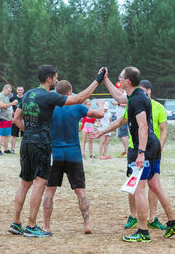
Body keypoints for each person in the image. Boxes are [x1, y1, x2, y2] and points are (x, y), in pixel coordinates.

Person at [9, 65, 105, 238]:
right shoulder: (49, 96)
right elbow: (79, 99)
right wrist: (97, 80)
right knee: (39, 184)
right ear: (49, 79)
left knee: (24, 183)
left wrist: (29, 132)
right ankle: (31, 226)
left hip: (26, 142)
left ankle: (16, 223)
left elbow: (15, 119)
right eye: (55, 77)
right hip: (42, 144)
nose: (56, 80)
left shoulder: (28, 94)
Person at [93, 67, 175, 242]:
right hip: (152, 145)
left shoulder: (137, 99)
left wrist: (140, 153)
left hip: (145, 148)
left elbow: (143, 126)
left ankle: (143, 231)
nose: (119, 79)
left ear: (127, 81)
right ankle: (172, 223)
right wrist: (105, 79)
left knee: (138, 189)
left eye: (120, 77)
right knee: (155, 186)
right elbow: (118, 98)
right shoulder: (136, 95)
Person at [42, 80, 104, 234]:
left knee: (49, 191)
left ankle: (47, 226)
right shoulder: (76, 105)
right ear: (70, 93)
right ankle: (87, 224)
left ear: (56, 92)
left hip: (54, 153)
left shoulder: (51, 107)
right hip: (73, 154)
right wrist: (102, 105)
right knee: (81, 191)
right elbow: (99, 115)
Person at [126, 79, 168, 230]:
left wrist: (160, 148)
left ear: (149, 90)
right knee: (134, 184)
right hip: (134, 149)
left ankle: (153, 217)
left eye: (143, 89)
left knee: (152, 185)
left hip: (151, 150)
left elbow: (163, 130)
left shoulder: (158, 107)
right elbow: (122, 120)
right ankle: (133, 216)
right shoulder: (134, 101)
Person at [0, 84, 17, 155]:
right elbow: (1, 105)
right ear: (4, 89)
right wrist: (12, 103)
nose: (9, 93)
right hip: (2, 117)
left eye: (10, 91)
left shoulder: (6, 96)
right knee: (1, 134)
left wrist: (11, 118)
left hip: (7, 118)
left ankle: (6, 149)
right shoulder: (0, 96)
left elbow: (8, 108)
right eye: (8, 91)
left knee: (6, 135)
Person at [113, 82, 129, 158]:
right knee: (124, 134)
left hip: (123, 116)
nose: (119, 89)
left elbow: (128, 104)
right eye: (118, 88)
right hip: (121, 116)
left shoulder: (125, 94)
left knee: (121, 134)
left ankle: (127, 151)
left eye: (120, 88)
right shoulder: (121, 95)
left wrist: (118, 104)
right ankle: (126, 150)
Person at [10, 86, 24, 154]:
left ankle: (23, 149)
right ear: (16, 91)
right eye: (19, 90)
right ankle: (12, 149)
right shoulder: (12, 98)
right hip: (15, 119)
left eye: (21, 90)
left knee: (24, 135)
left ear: (23, 91)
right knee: (14, 135)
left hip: (23, 119)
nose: (20, 91)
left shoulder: (25, 98)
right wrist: (11, 117)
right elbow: (8, 108)